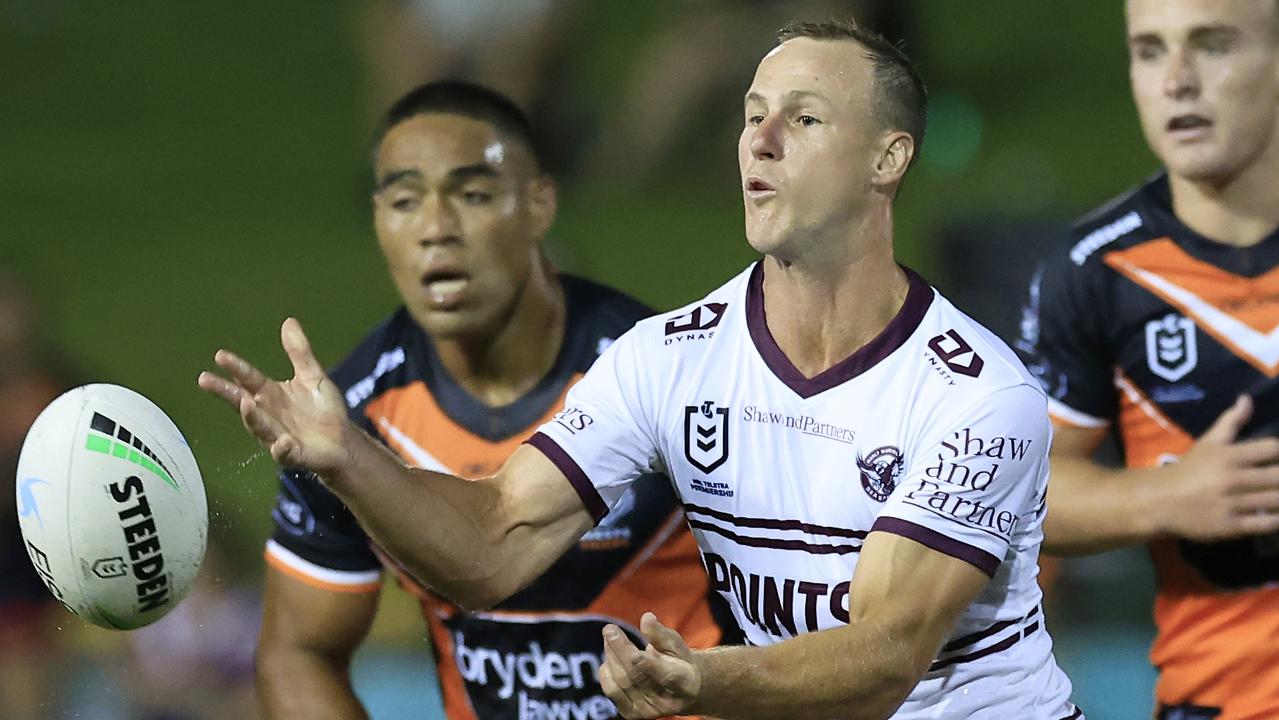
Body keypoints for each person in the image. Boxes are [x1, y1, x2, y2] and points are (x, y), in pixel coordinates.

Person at [201, 20, 1082, 719]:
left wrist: (709, 685)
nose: (759, 142)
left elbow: (883, 659)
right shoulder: (669, 358)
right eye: (750, 114)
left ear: (888, 159)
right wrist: (347, 457)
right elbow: (497, 542)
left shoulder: (974, 395)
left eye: (802, 119)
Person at [240, 81, 734, 720]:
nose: (436, 229)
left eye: (472, 195)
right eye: (405, 200)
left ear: (539, 205)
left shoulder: (662, 379)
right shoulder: (344, 422)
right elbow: (299, 652)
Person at [1015, 1, 1279, 718]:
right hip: (1218, 703)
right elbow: (1014, 490)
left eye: (1212, 45)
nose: (1177, 82)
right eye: (1149, 51)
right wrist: (1168, 497)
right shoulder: (1096, 271)